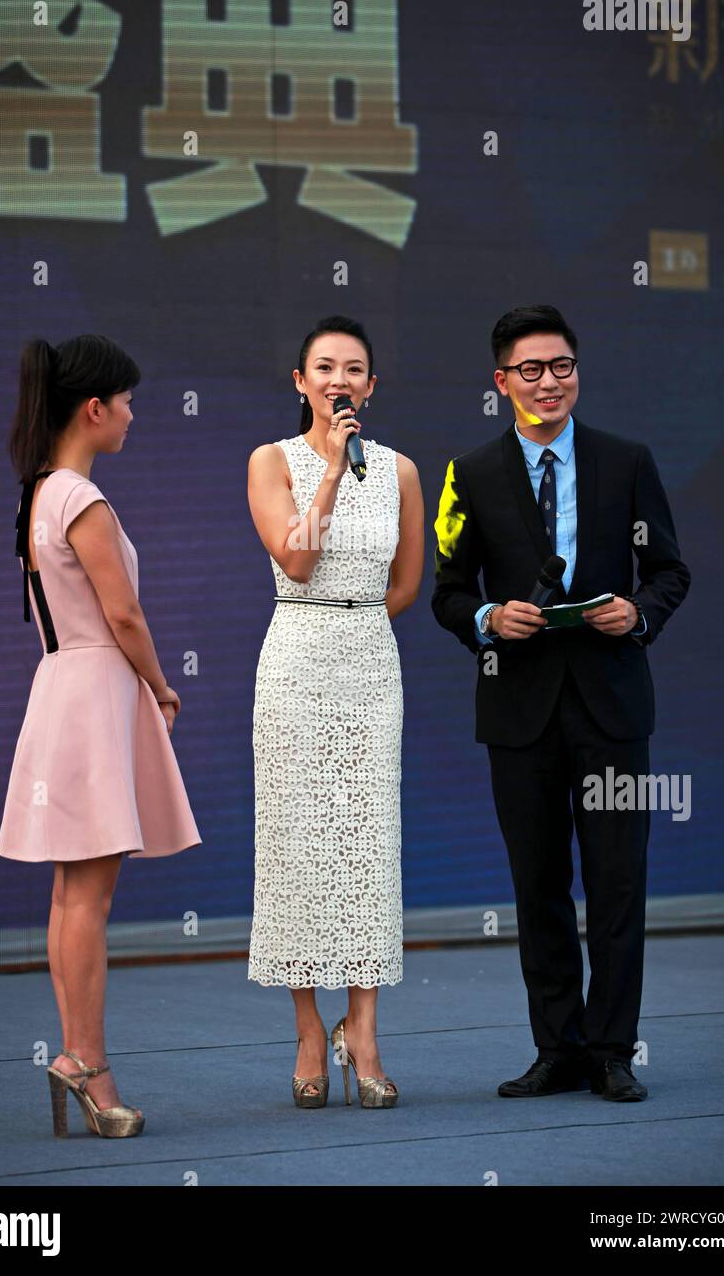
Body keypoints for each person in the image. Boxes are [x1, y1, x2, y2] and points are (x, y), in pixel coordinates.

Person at [431, 305, 690, 1102]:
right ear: (501, 381)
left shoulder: (627, 460)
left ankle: (614, 1049)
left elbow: (670, 573)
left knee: (617, 883)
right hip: (519, 708)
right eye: (533, 371)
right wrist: (488, 619)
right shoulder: (469, 473)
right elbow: (447, 592)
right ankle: (558, 1047)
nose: (551, 383)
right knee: (537, 884)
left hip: (613, 701)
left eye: (564, 367)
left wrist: (637, 613)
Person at [0, 334, 201, 1138]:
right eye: (125, 400)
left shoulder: (39, 492)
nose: (131, 413)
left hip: (63, 690)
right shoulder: (79, 498)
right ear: (94, 408)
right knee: (88, 896)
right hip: (92, 692)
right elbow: (123, 615)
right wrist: (160, 686)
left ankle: (79, 1057)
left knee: (71, 894)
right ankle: (86, 1064)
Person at [247, 314, 423, 1108]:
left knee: (366, 844)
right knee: (298, 844)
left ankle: (367, 1031)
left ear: (372, 386)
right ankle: (310, 1030)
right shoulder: (269, 461)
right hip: (294, 658)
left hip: (369, 661)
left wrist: (360, 627)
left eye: (354, 369)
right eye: (324, 367)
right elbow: (297, 555)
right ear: (300, 382)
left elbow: (408, 583)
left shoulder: (403, 471)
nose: (339, 380)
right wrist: (329, 473)